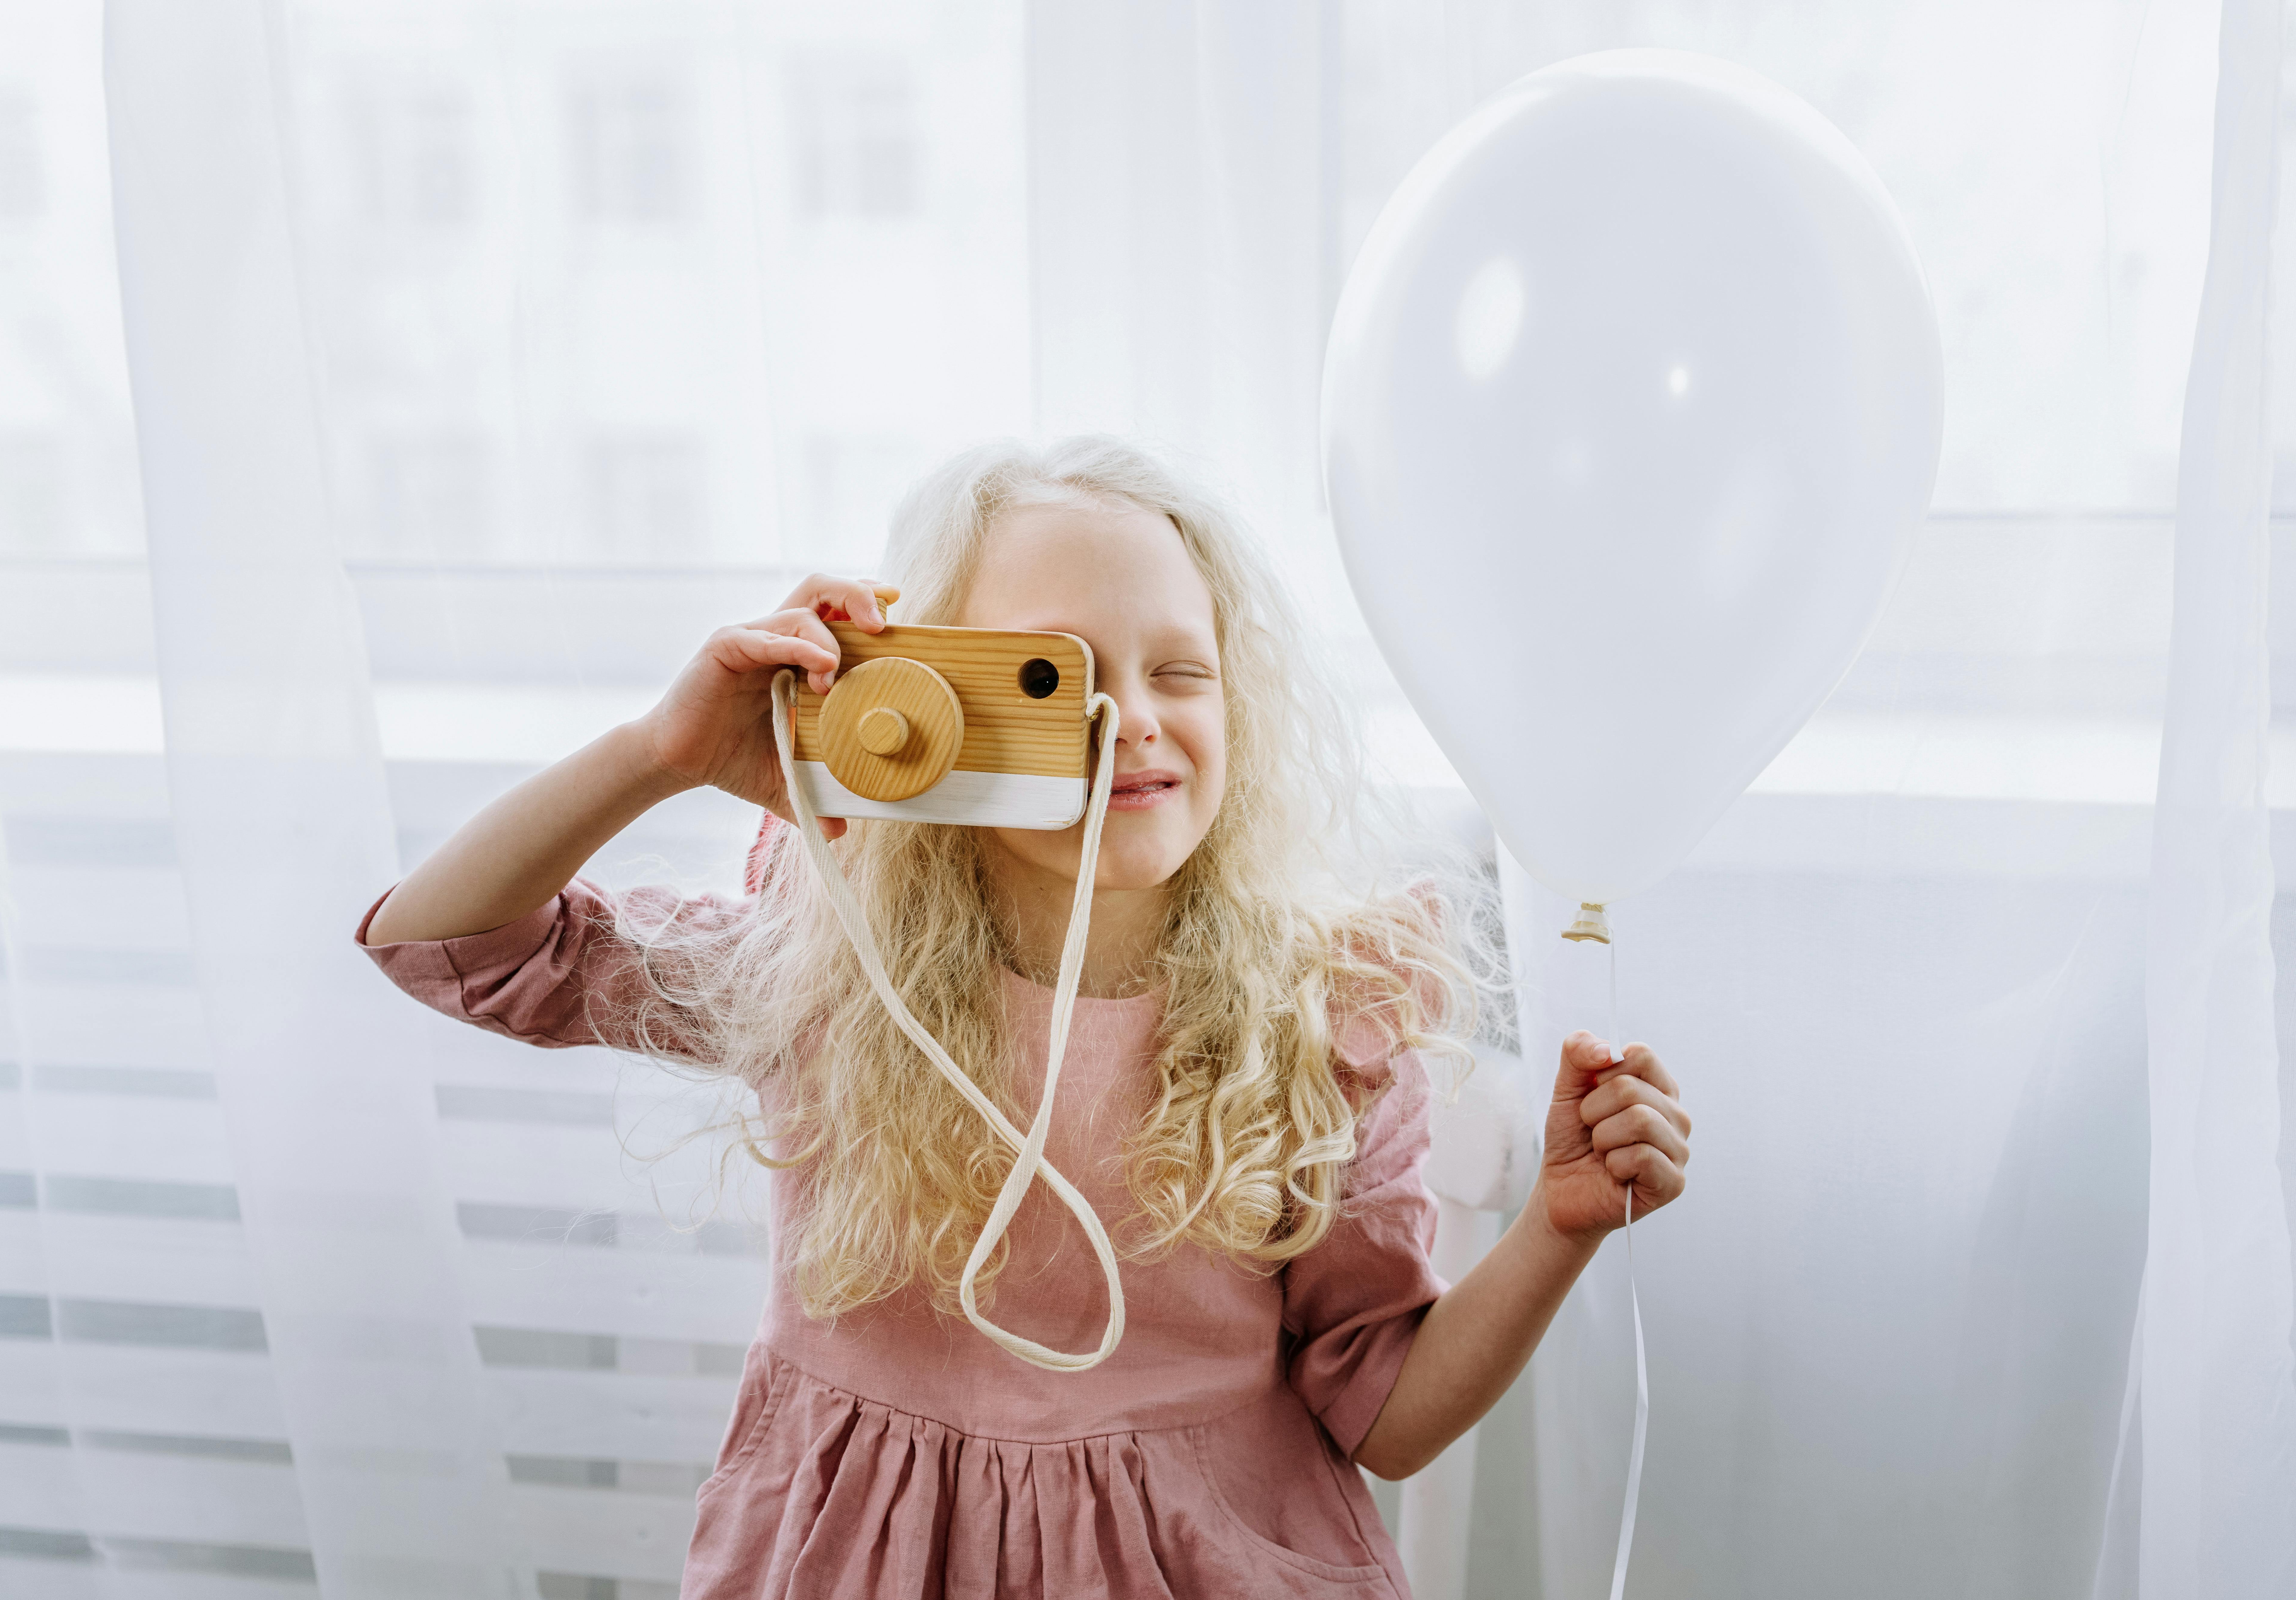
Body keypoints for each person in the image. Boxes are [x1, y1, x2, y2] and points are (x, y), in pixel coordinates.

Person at [358, 436, 1692, 1599]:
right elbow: (438, 942)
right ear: (924, 700)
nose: (1130, 721)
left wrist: (1556, 1228)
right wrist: (662, 753)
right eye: (1054, 677)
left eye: (1181, 671)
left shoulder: (1316, 1013)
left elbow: (1387, 1417)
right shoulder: (831, 960)